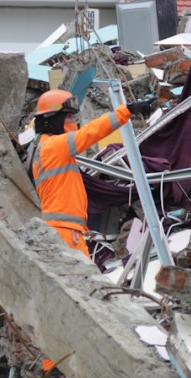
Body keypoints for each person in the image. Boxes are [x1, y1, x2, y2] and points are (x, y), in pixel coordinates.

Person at [30, 89, 151, 257]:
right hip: (65, 233)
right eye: (69, 117)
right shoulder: (53, 147)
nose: (74, 122)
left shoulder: (49, 149)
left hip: (66, 231)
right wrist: (127, 111)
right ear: (54, 120)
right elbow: (90, 132)